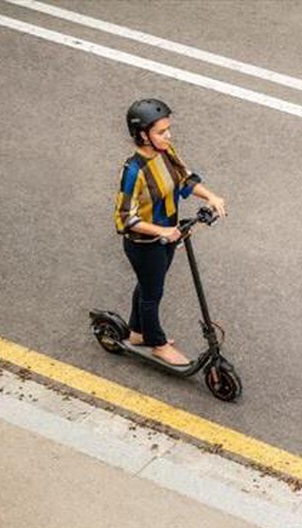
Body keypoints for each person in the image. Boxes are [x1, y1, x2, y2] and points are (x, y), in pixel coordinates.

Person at [112, 98, 227, 366]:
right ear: (143, 135)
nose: (168, 136)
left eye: (168, 130)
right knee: (153, 293)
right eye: (161, 132)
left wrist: (211, 197)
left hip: (169, 237)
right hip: (144, 244)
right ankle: (157, 343)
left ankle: (138, 332)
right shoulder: (133, 171)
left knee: (147, 285)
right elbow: (124, 218)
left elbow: (185, 179)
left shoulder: (166, 152)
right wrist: (162, 230)